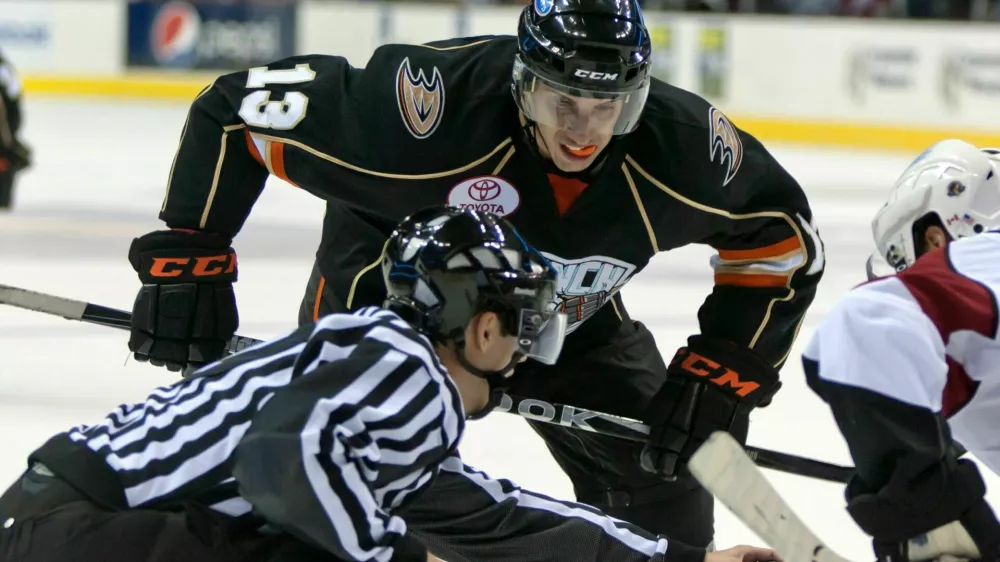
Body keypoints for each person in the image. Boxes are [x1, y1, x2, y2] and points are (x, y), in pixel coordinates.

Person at [125, 0, 824, 549]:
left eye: (607, 106)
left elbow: (782, 241)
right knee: (344, 482)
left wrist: (724, 366)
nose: (585, 130)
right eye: (564, 103)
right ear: (524, 85)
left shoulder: (682, 151)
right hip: (395, 312)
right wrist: (189, 259)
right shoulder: (420, 117)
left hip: (562, 317)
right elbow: (236, 112)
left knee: (656, 479)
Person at [0, 206, 779, 562]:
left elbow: (509, 521)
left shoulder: (384, 395)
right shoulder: (399, 361)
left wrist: (682, 561)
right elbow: (285, 456)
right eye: (522, 322)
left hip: (61, 525)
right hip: (80, 530)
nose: (526, 348)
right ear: (481, 327)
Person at [804, 139, 1000, 562]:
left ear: (935, 237)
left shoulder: (980, 257)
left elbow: (870, 324)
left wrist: (928, 512)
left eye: (904, 258)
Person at [0, 49, 31, 210]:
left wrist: (8, 140)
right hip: (8, 121)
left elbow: (10, 106)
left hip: (6, 123)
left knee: (5, 156)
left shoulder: (3, 69)